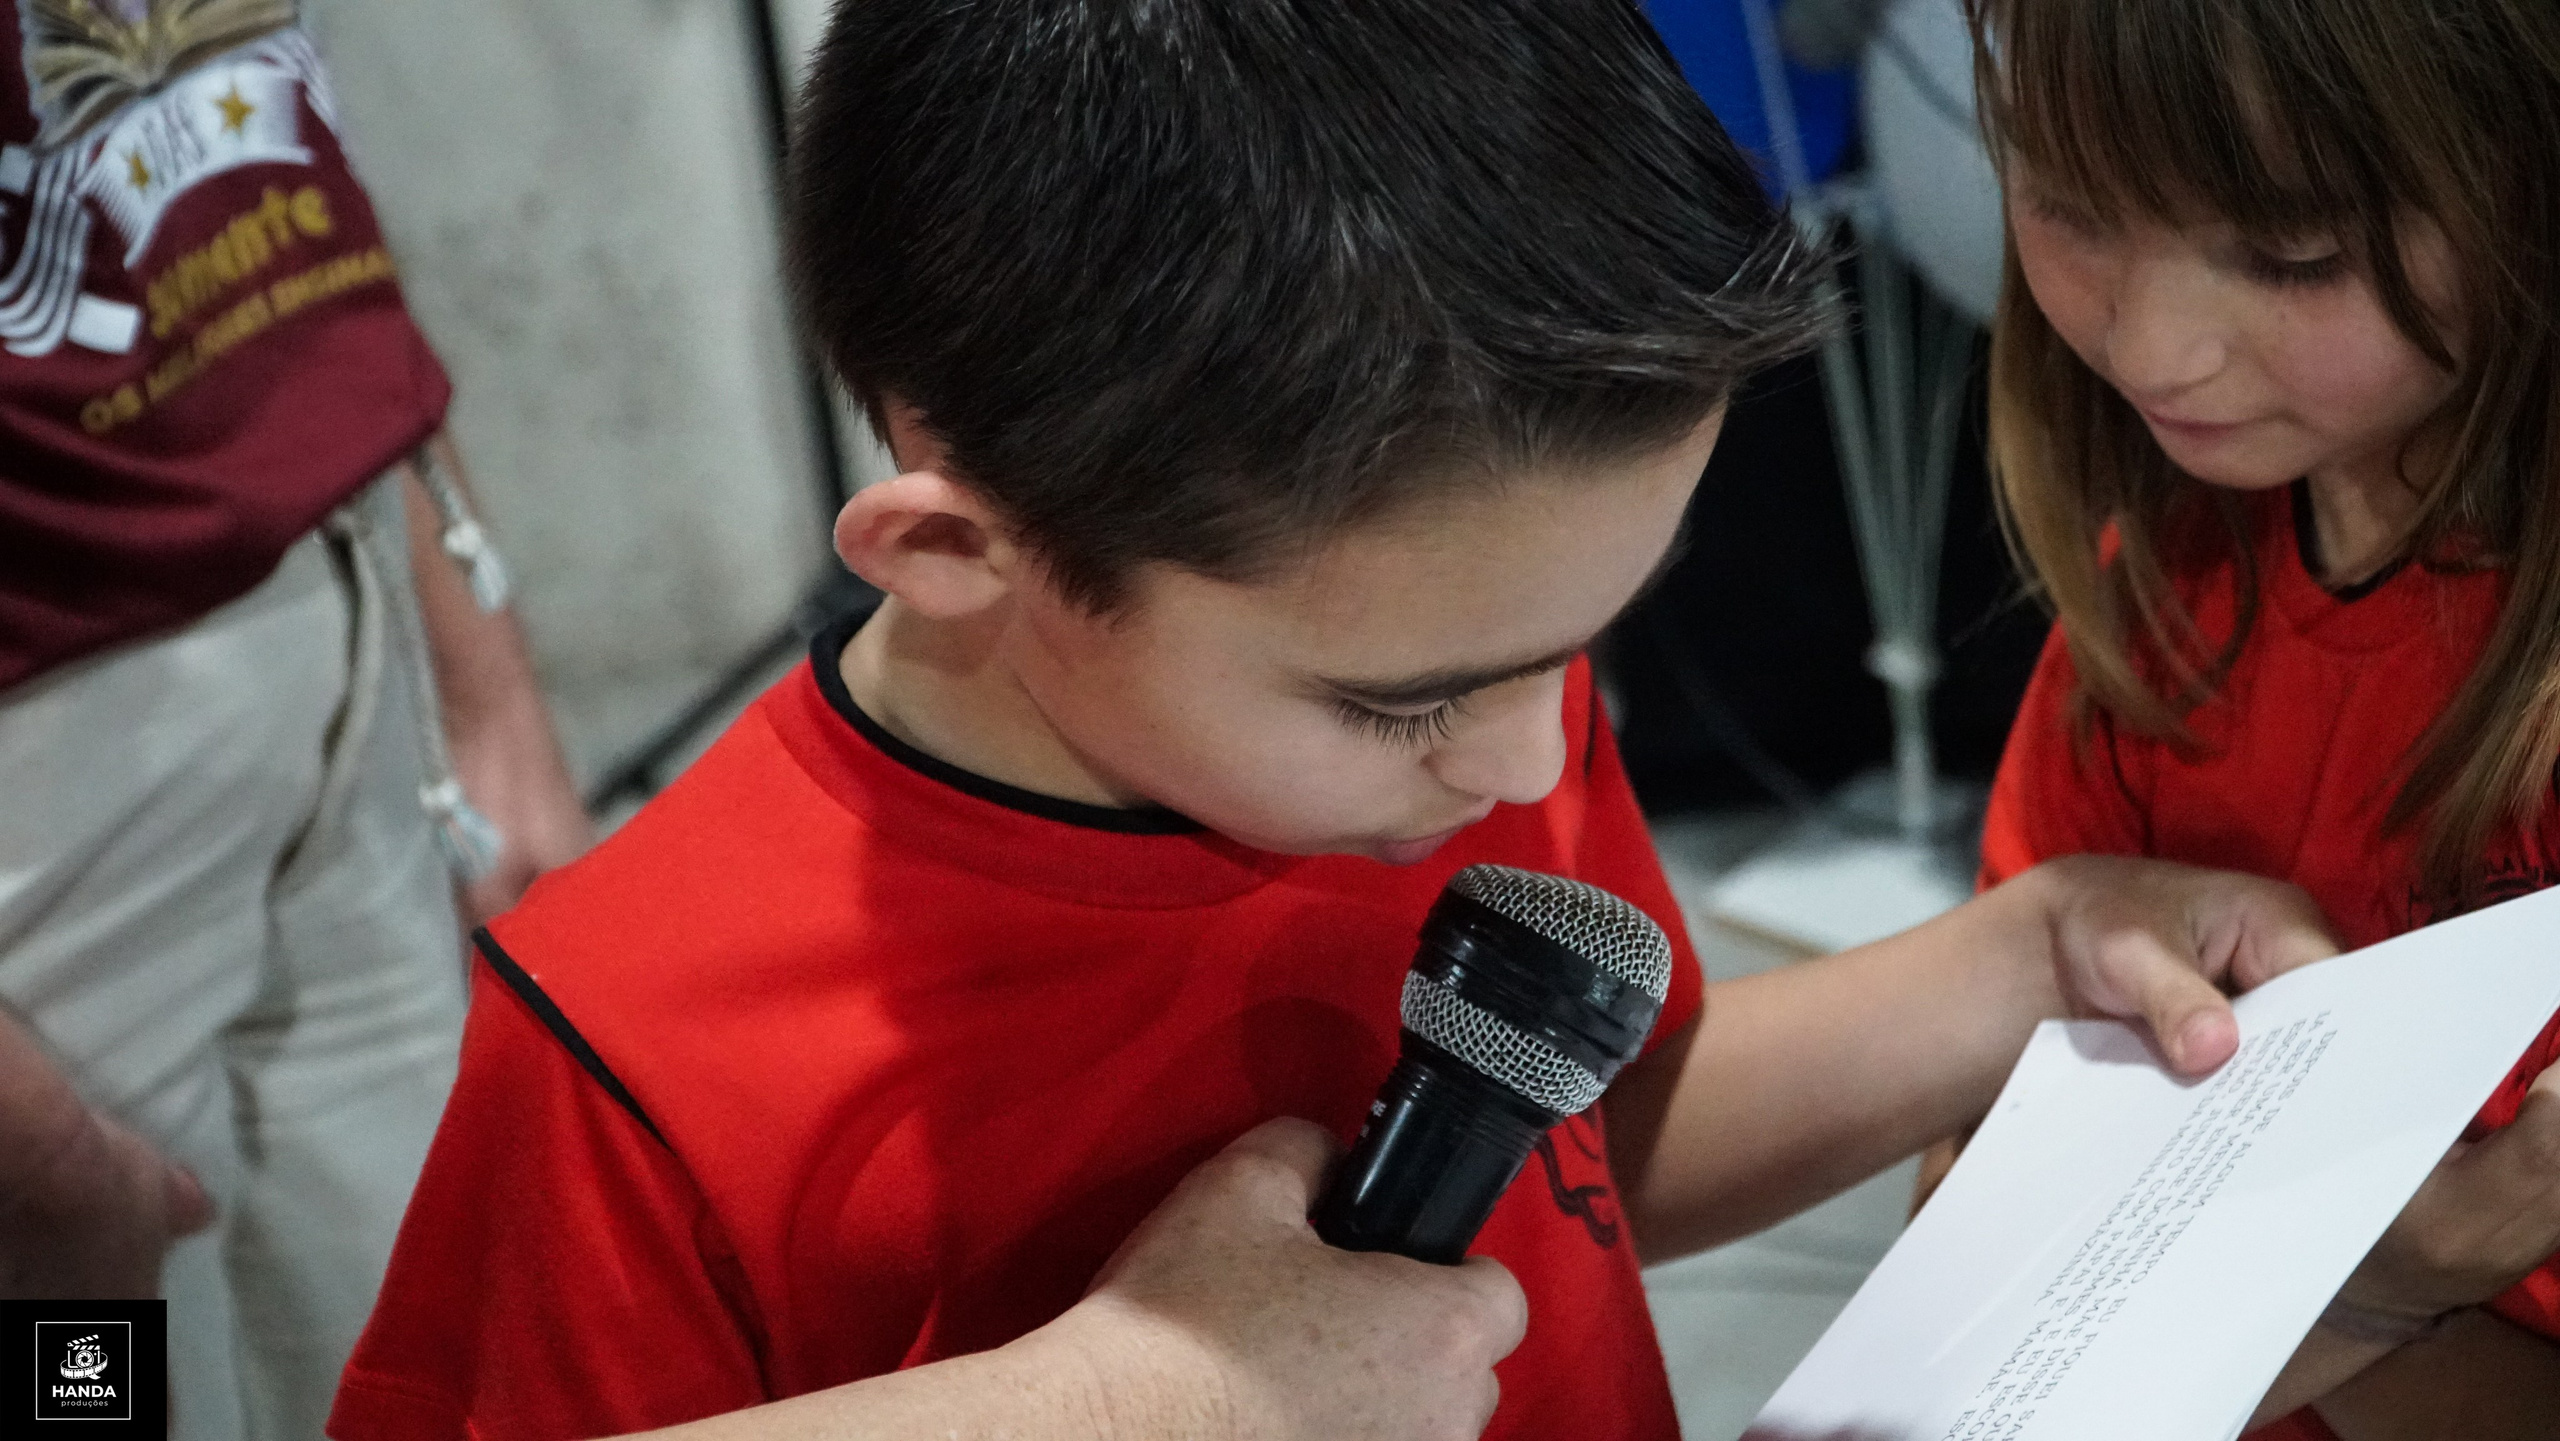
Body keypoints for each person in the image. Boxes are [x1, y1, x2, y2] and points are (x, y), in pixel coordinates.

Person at [329, 3, 2344, 1438]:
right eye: (1406, 701)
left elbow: (1596, 1149)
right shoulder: (638, 1054)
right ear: (955, 550)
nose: (1528, 763)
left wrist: (2026, 953)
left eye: (1585, 650)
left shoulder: (1465, 694)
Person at [1936, 0, 2560, 1434]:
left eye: (2292, 254)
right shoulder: (2157, 598)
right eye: (2069, 199)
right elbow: (1972, 1222)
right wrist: (2367, 1288)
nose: (2155, 349)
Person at [0, 4, 590, 1438]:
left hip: (337, 642)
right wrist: (46, 1164)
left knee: (442, 1383)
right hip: (54, 822)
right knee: (97, 1403)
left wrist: (478, 666)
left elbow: (260, 130)